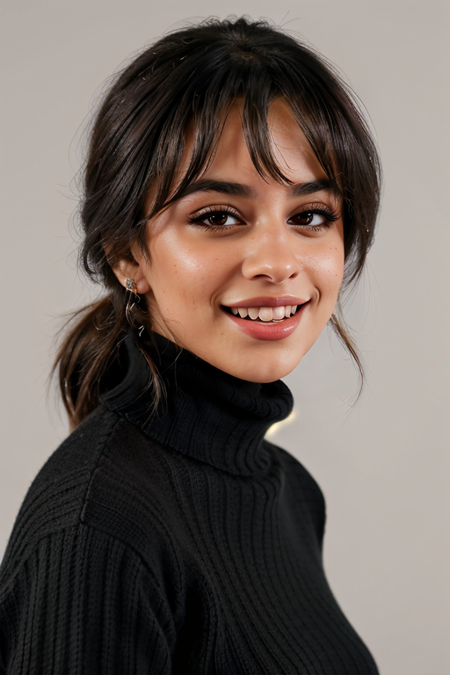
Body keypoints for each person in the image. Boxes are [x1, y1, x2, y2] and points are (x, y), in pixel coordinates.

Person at [0, 17, 381, 675]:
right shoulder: (99, 530)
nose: (277, 261)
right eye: (217, 217)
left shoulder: (291, 493)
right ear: (127, 256)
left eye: (310, 216)